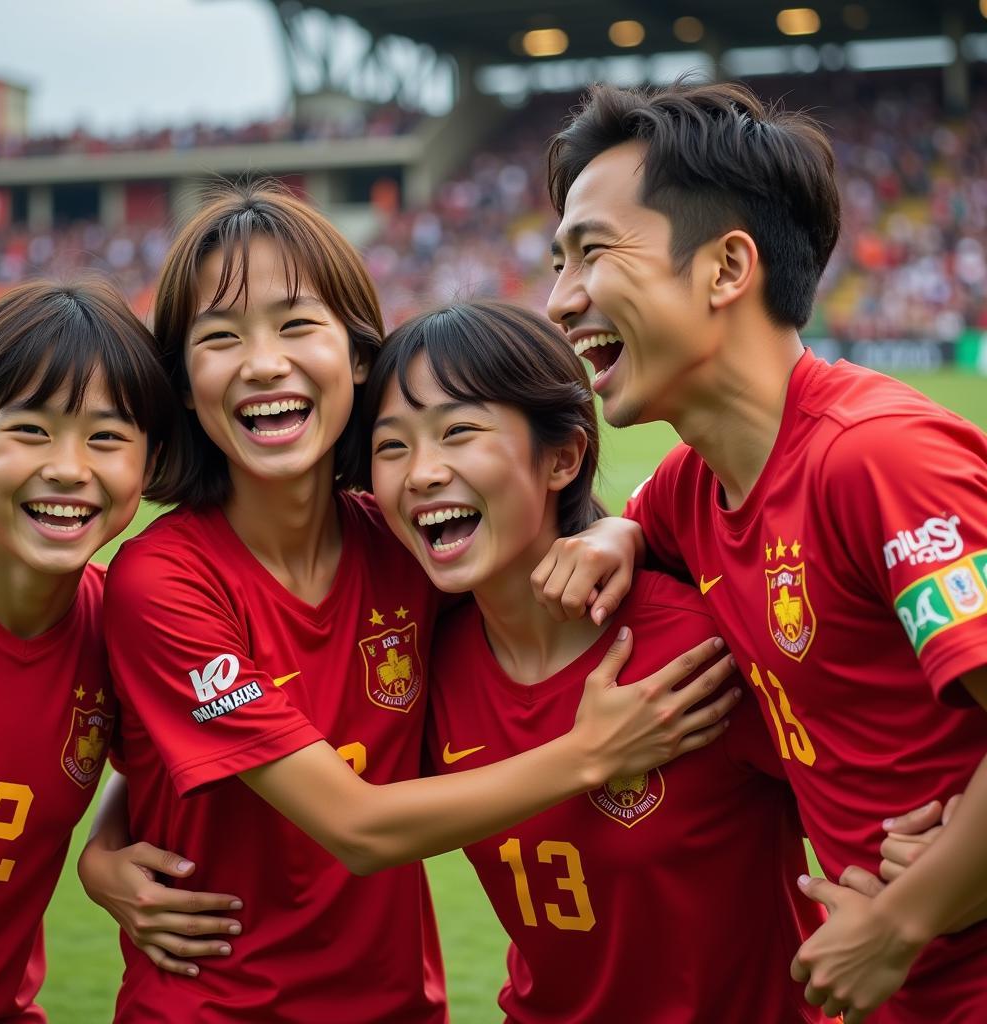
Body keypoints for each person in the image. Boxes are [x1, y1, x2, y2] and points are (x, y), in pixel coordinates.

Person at [77, 183, 739, 1022]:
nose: (263, 362)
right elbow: (345, 822)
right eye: (220, 338)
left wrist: (625, 531)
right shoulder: (163, 580)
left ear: (357, 355)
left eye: (296, 324)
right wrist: (590, 753)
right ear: (182, 384)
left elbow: (557, 527)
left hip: (398, 1007)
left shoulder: (407, 545)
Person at [536, 80, 987, 1023]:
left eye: (591, 254)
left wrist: (906, 917)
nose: (560, 300)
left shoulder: (879, 459)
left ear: (726, 267)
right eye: (556, 262)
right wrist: (617, 529)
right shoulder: (697, 484)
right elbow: (654, 515)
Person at [363, 299, 824, 1023]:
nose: (421, 473)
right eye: (392, 447)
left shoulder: (697, 643)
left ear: (563, 458)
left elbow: (877, 799)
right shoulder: (421, 668)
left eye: (458, 432)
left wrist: (885, 912)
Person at [0, 280, 174, 1023]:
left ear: (146, 469)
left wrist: (102, 845)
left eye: (107, 438)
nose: (68, 467)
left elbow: (166, 748)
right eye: (29, 430)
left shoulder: (127, 625)